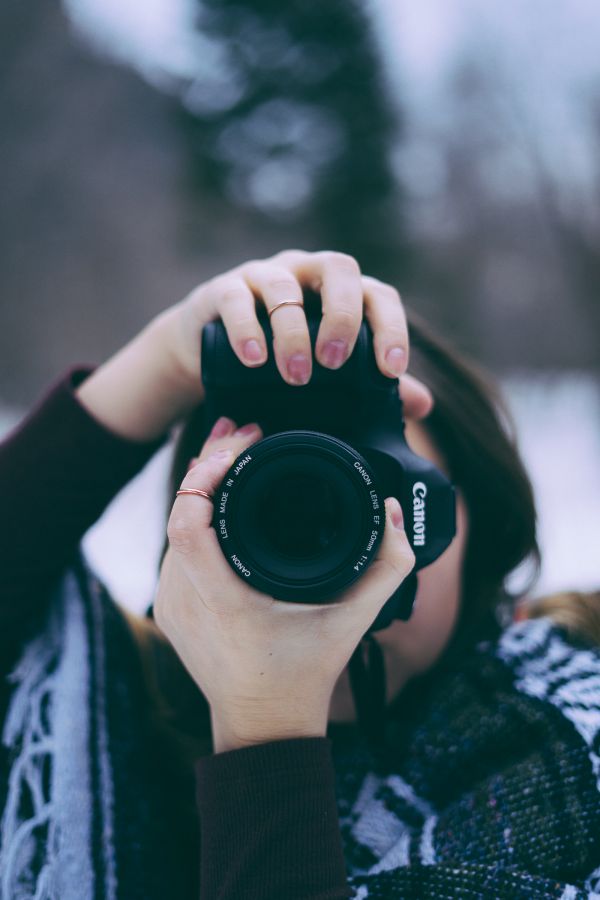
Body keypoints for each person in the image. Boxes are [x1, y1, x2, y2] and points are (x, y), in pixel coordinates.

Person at [0, 248, 599, 900]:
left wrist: (263, 733)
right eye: (273, 515)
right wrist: (163, 365)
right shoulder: (128, 714)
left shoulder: (561, 751)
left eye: (378, 511)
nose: (335, 589)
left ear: (478, 527)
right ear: (192, 531)